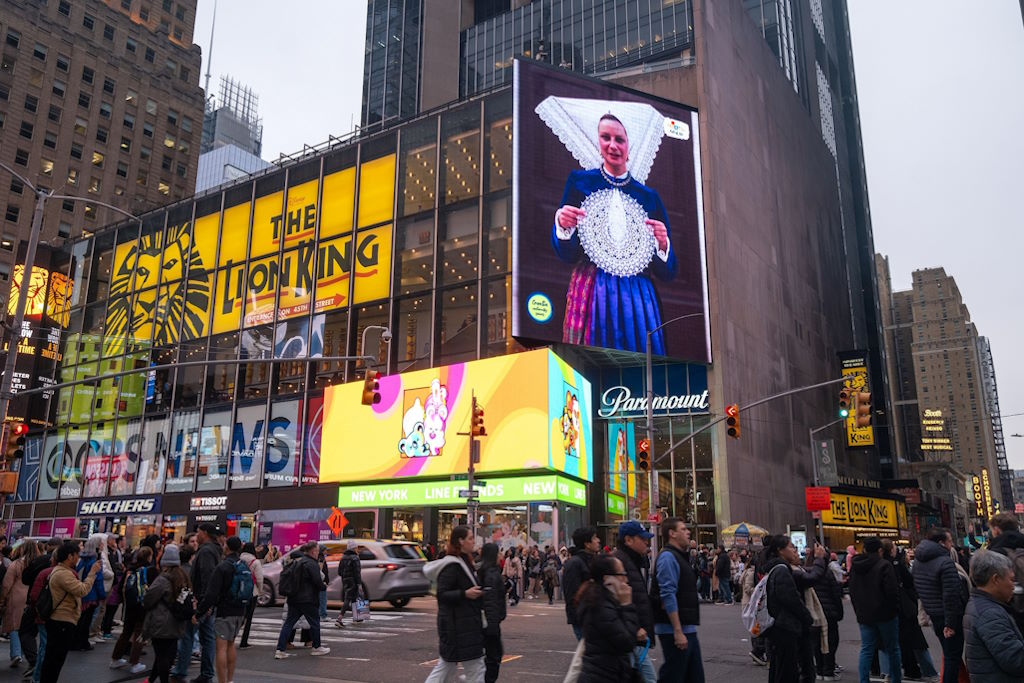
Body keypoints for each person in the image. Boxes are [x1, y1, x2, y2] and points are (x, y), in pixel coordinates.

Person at [551, 113, 677, 353]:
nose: (612, 145)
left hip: (638, 298)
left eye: (619, 139)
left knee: (642, 360)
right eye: (605, 137)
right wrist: (563, 226)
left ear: (629, 146)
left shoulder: (649, 197)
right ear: (598, 142)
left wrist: (663, 245)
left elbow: (668, 272)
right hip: (592, 289)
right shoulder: (580, 182)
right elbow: (567, 255)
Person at [422, 525, 485, 682]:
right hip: (457, 625)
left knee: (448, 667)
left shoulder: (464, 561)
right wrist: (465, 594)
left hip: (462, 624)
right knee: (474, 668)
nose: (473, 541)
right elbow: (442, 594)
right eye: (470, 538)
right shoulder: (452, 565)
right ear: (460, 541)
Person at [194, 536, 255, 682]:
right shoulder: (243, 565)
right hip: (240, 610)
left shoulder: (223, 566)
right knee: (231, 644)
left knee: (220, 647)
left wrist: (199, 612)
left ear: (226, 547)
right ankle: (230, 679)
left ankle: (222, 681)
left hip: (224, 611)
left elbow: (211, 593)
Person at [913, 528, 968, 683]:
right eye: (950, 541)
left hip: (934, 614)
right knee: (953, 657)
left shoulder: (918, 561)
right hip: (949, 617)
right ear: (941, 543)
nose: (952, 544)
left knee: (950, 654)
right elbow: (951, 595)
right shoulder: (945, 562)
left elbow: (919, 588)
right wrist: (950, 623)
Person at [40, 541, 100, 683]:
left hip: (60, 620)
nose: (78, 558)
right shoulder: (63, 574)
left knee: (53, 658)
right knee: (55, 659)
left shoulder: (60, 571)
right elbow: (82, 590)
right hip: (61, 621)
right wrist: (92, 573)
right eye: (76, 555)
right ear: (69, 556)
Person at [575, 554, 642, 682]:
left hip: (610, 673)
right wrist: (627, 605)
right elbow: (626, 642)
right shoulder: (600, 606)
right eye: (621, 575)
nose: (626, 580)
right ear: (607, 579)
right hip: (602, 675)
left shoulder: (605, 601)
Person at [652, 517, 703, 683]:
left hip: (687, 628)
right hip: (673, 630)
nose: (688, 532)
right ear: (672, 534)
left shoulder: (680, 556)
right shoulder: (668, 557)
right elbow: (668, 593)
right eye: (683, 529)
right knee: (673, 677)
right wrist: (677, 630)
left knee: (693, 677)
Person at [172, 523, 222, 683]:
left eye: (199, 532)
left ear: (205, 533)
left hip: (201, 602)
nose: (197, 535)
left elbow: (207, 578)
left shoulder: (206, 551)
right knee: (207, 638)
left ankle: (180, 672)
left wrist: (201, 606)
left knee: (187, 635)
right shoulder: (215, 549)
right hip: (208, 602)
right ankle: (207, 674)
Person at [963, 550, 1024, 681]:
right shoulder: (989, 614)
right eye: (1012, 579)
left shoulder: (980, 604)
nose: (1014, 586)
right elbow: (1015, 660)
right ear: (995, 579)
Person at [761, 534, 813, 683]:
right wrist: (807, 617)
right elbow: (790, 599)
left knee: (780, 668)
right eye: (791, 547)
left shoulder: (776, 568)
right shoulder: (782, 570)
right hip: (785, 627)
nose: (795, 550)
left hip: (780, 626)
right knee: (787, 671)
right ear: (780, 550)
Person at [849, 537, 902, 683]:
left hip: (864, 615)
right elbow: (892, 591)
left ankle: (864, 680)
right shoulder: (884, 565)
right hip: (886, 615)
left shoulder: (855, 566)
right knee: (893, 650)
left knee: (866, 649)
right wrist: (894, 610)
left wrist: (858, 611)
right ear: (880, 550)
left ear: (864, 549)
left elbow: (852, 590)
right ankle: (896, 679)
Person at [886, 542, 939, 682]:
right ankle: (928, 671)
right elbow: (909, 582)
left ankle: (890, 672)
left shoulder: (882, 565)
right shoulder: (895, 565)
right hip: (905, 607)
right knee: (916, 641)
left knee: (892, 643)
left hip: (889, 610)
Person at [611, 521, 656, 683]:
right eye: (642, 538)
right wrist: (635, 628)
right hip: (628, 638)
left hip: (634, 639)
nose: (646, 541)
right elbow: (614, 602)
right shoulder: (617, 563)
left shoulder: (634, 561)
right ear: (628, 540)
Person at [142, 545, 195, 683]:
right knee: (166, 655)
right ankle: (151, 679)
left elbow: (148, 599)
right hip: (178, 622)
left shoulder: (163, 579)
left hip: (161, 623)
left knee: (161, 656)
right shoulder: (183, 577)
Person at [273, 541, 330, 660]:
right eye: (317, 550)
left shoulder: (297, 562)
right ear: (313, 551)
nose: (318, 552)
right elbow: (317, 581)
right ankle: (316, 647)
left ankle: (280, 649)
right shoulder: (311, 564)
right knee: (314, 622)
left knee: (289, 623)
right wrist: (324, 586)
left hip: (294, 598)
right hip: (308, 599)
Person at [109, 545, 153, 674]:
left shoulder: (130, 569)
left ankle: (115, 658)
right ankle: (134, 663)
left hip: (129, 606)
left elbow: (121, 586)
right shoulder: (148, 570)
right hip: (141, 607)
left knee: (126, 632)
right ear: (149, 557)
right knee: (139, 634)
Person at [809, 546, 844, 681]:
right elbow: (836, 594)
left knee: (816, 643)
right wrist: (839, 612)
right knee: (830, 642)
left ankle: (819, 670)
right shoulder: (828, 573)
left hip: (814, 613)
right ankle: (828, 671)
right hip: (828, 613)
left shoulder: (808, 572)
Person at [0, 541, 38, 668]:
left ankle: (16, 654)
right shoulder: (38, 563)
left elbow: (6, 584)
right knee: (26, 627)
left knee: (14, 626)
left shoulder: (16, 564)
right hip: (32, 596)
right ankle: (25, 652)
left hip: (16, 597)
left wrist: (2, 599)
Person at [73, 533, 111, 650]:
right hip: (91, 595)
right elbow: (98, 580)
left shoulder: (81, 561)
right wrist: (102, 595)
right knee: (86, 620)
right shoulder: (95, 562)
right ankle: (83, 642)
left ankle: (77, 641)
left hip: (81, 594)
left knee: (80, 620)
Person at [562, 526, 600, 641]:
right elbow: (572, 595)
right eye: (594, 538)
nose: (598, 540)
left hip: (594, 616)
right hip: (583, 618)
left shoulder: (592, 560)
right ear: (587, 544)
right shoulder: (575, 563)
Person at [477, 543, 506, 683]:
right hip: (490, 623)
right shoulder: (491, 574)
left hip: (488, 621)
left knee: (491, 656)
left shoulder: (487, 571)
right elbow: (491, 602)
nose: (501, 555)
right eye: (499, 553)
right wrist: (493, 624)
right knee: (494, 656)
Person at [740, 548, 768, 666]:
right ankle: (757, 651)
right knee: (756, 628)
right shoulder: (751, 573)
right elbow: (748, 588)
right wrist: (759, 592)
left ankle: (757, 651)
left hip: (751, 603)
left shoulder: (751, 571)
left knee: (756, 627)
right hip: (750, 603)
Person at [237, 542, 264, 649]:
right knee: (248, 618)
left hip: (240, 591)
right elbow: (259, 579)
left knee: (239, 615)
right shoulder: (255, 562)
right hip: (252, 592)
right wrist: (260, 590)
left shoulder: (239, 560)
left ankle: (231, 637)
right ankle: (244, 641)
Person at [335, 542, 361, 628]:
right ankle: (339, 618)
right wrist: (359, 583)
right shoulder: (355, 558)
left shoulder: (343, 557)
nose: (358, 549)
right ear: (354, 548)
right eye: (356, 548)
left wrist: (345, 576)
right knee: (349, 598)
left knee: (353, 598)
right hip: (353, 580)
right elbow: (357, 572)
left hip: (345, 580)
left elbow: (339, 572)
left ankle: (356, 617)